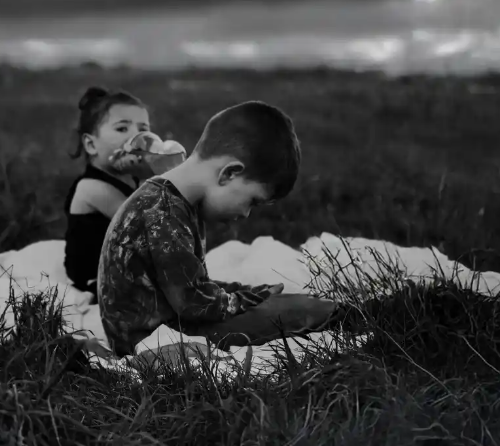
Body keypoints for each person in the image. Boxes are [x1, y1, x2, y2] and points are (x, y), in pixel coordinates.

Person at [96, 100, 341, 356]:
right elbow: (194, 304)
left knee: (271, 304)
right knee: (281, 315)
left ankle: (327, 309)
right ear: (229, 173)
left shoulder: (171, 200)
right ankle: (348, 315)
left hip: (160, 324)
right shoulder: (163, 213)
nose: (246, 214)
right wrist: (249, 297)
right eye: (252, 201)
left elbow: (191, 284)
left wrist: (244, 293)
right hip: (153, 340)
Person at [62, 86, 156, 301]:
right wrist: (144, 177)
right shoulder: (92, 188)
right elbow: (146, 229)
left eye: (143, 129)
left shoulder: (127, 177)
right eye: (122, 129)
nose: (136, 137)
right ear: (91, 144)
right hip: (95, 278)